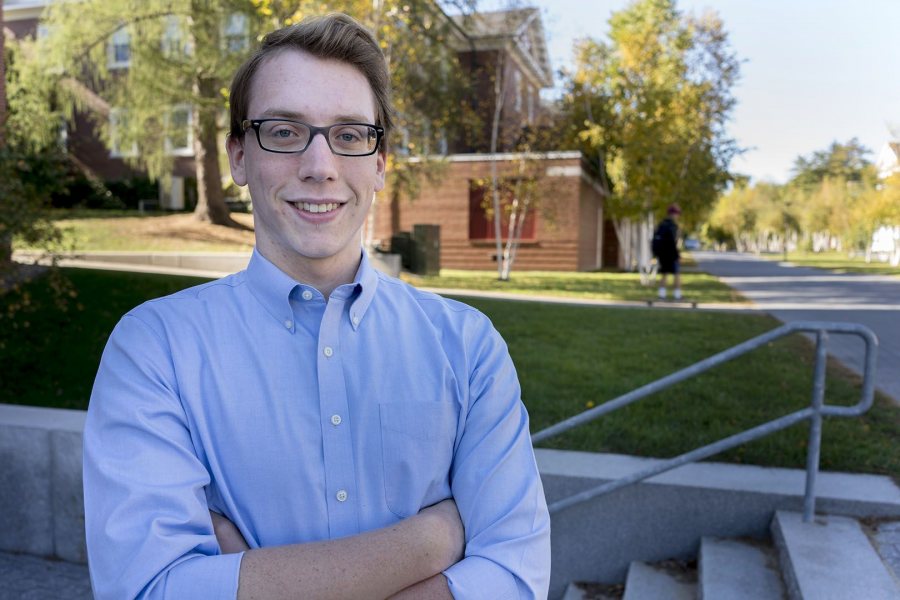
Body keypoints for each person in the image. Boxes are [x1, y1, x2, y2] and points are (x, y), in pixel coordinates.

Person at [82, 13, 551, 600]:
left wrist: (250, 578)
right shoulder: (155, 349)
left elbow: (513, 575)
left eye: (351, 135)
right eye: (283, 131)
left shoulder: (468, 347)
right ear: (238, 157)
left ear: (379, 164)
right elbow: (148, 589)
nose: (320, 165)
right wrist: (431, 542)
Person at [653, 204, 682, 300]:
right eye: (677, 213)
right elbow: (672, 243)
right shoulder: (673, 226)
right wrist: (677, 255)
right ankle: (677, 295)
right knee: (677, 274)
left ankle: (662, 294)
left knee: (664, 274)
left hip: (662, 255)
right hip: (671, 255)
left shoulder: (662, 224)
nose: (678, 215)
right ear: (673, 214)